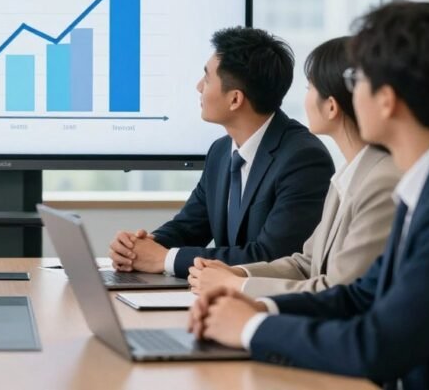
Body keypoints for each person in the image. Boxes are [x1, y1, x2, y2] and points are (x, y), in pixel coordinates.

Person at [190, 2, 429, 390]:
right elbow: (362, 296)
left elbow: (378, 345)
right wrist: (260, 306)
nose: (347, 92)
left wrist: (251, 328)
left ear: (387, 99)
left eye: (356, 78)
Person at [109, 27, 334, 277]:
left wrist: (164, 259)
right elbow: (189, 227)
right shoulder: (220, 151)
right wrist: (138, 248)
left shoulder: (303, 159)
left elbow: (272, 256)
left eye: (207, 79)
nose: (198, 86)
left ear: (235, 99)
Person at [187, 36, 399, 296]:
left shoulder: (380, 182)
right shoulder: (347, 177)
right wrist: (237, 273)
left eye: (310, 87)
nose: (304, 98)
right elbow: (306, 263)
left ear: (331, 106)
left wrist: (236, 285)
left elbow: (340, 291)